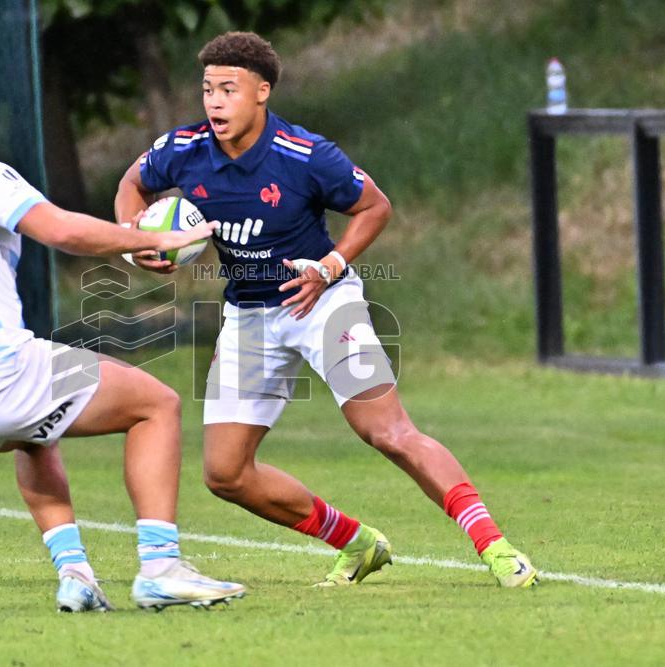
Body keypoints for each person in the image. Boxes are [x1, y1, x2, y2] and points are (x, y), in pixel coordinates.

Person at [115, 32, 538, 588]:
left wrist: (331, 265)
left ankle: (497, 547)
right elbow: (132, 184)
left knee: (388, 432)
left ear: (262, 92)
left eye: (229, 89)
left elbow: (374, 206)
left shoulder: (305, 154)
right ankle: (358, 543)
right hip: (247, 317)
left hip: (323, 305)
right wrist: (132, 237)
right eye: (207, 89)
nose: (214, 102)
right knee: (225, 474)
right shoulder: (182, 148)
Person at [0, 62, 246, 612]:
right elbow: (62, 230)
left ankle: (75, 574)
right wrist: (144, 238)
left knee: (35, 434)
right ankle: (161, 566)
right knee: (156, 405)